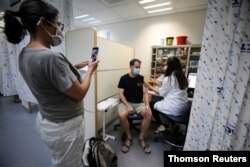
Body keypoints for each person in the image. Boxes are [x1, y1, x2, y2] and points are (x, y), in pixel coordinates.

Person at [3, 0, 99, 167]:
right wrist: (90, 71)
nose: (60, 31)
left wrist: (74, 67)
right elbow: (80, 93)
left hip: (47, 121)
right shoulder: (51, 57)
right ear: (42, 22)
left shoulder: (25, 54)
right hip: (66, 127)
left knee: (59, 159)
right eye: (58, 25)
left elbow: (46, 78)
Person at [145, 56, 188, 134]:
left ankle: (162, 125)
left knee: (152, 104)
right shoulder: (182, 76)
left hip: (173, 107)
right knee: (159, 103)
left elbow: (161, 93)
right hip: (183, 107)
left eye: (166, 64)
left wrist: (150, 86)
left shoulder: (169, 78)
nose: (165, 66)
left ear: (169, 66)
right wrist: (157, 82)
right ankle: (173, 124)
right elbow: (172, 87)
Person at [117, 58, 152, 154]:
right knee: (121, 115)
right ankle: (129, 137)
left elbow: (145, 93)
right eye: (137, 67)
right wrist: (128, 106)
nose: (138, 69)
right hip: (125, 102)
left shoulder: (141, 78)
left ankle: (141, 137)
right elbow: (120, 94)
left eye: (139, 67)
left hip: (138, 103)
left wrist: (147, 105)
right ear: (131, 66)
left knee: (149, 113)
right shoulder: (123, 78)